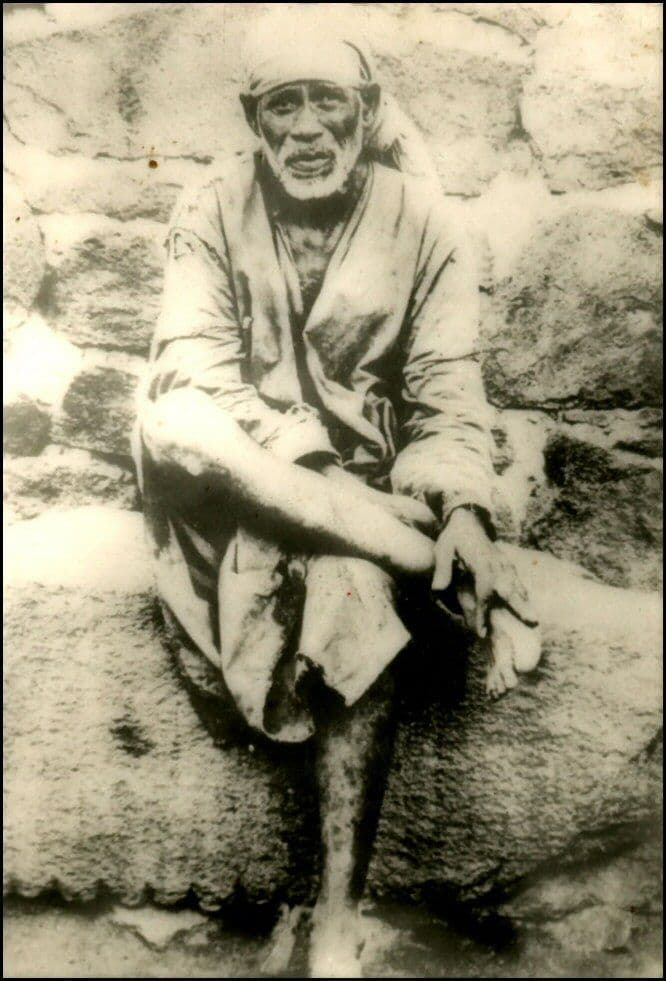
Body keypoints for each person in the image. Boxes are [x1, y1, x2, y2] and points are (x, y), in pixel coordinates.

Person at [133, 18, 540, 977]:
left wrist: (466, 508)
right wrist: (308, 463)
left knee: (352, 583)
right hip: (247, 488)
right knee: (176, 420)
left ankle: (337, 921)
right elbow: (196, 371)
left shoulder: (426, 221)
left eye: (330, 105)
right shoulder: (211, 206)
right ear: (254, 119)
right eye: (285, 106)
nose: (309, 129)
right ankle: (428, 559)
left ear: (365, 115)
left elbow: (448, 392)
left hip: (372, 490)